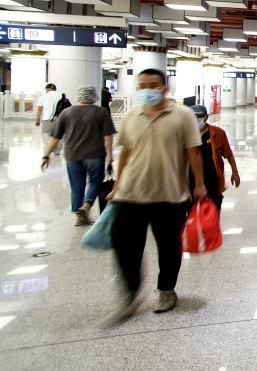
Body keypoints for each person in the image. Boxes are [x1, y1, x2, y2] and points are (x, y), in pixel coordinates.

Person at [106, 68, 206, 321]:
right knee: (125, 245)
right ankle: (130, 292)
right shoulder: (132, 115)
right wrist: (117, 183)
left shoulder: (183, 115)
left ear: (164, 87)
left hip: (170, 195)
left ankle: (166, 289)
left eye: (153, 85)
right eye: (142, 86)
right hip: (131, 193)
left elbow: (194, 152)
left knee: (169, 247)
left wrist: (199, 184)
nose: (147, 90)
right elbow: (126, 152)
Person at [40, 86, 115, 226]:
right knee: (95, 182)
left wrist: (45, 156)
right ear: (94, 97)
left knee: (76, 186)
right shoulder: (101, 112)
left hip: (72, 155)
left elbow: (55, 137)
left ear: (78, 96)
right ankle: (86, 205)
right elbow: (108, 136)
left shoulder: (66, 112)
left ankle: (78, 215)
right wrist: (110, 156)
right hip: (95, 155)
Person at [189, 105, 240, 212]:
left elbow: (228, 154)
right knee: (193, 214)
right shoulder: (186, 135)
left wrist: (235, 172)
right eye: (193, 117)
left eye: (199, 116)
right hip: (191, 182)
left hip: (212, 181)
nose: (196, 119)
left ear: (206, 117)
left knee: (213, 212)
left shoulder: (217, 133)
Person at [35, 83, 62, 154]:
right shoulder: (61, 96)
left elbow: (39, 109)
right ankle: (57, 151)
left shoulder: (43, 97)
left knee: (46, 135)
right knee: (58, 135)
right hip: (60, 120)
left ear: (47, 89)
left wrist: (37, 120)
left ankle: (48, 151)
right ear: (55, 89)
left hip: (47, 120)